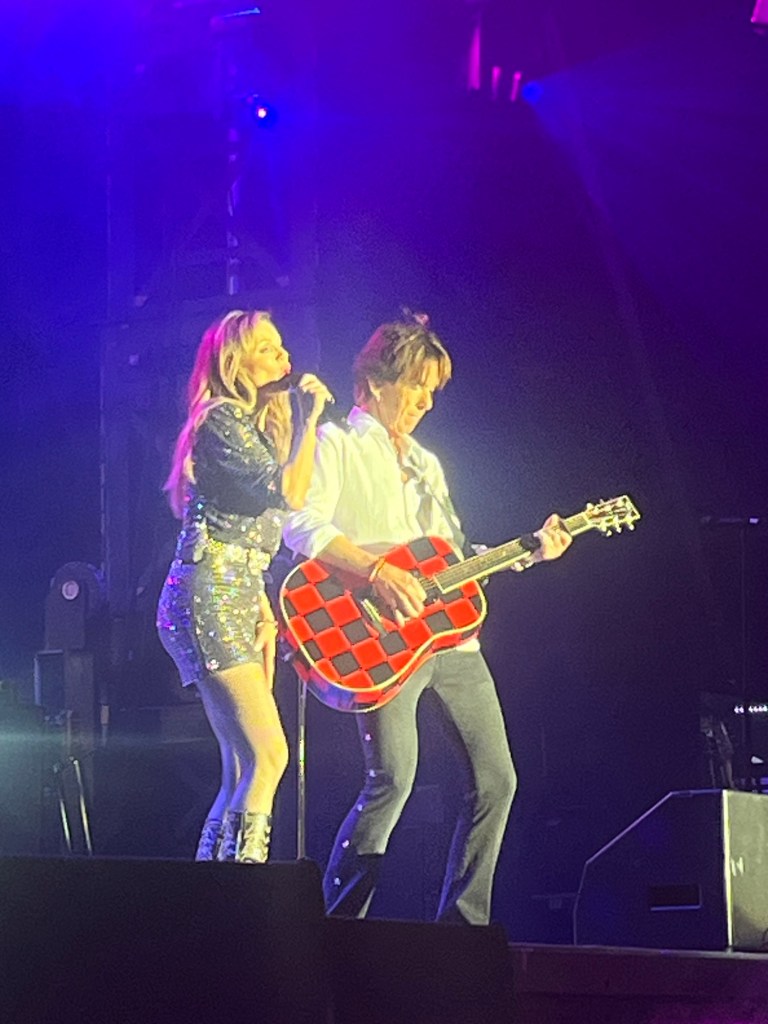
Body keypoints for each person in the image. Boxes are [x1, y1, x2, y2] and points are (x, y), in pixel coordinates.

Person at [283, 316, 571, 923]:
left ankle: (463, 927)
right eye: (417, 385)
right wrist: (376, 572)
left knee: (497, 780)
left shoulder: (427, 464)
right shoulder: (336, 442)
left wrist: (528, 551)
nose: (425, 402)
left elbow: (450, 558)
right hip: (376, 636)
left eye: (432, 391)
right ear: (376, 381)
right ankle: (339, 926)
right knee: (392, 779)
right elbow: (300, 524)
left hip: (449, 640)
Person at [157, 310, 332, 863]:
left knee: (240, 765)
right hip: (210, 595)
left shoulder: (246, 427)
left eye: (283, 347)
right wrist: (310, 419)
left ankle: (212, 887)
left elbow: (242, 531)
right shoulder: (220, 420)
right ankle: (244, 890)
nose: (284, 357)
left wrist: (260, 605)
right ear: (236, 363)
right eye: (268, 349)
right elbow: (290, 494)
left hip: (235, 593)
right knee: (271, 754)